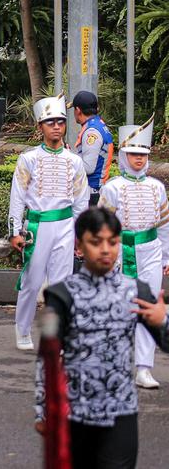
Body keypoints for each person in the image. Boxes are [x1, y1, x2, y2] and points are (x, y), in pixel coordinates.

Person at [35, 206, 169, 468]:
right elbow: (47, 359)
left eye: (113, 242)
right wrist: (43, 409)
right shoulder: (61, 295)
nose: (105, 250)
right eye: (96, 243)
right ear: (79, 245)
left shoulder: (136, 291)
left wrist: (161, 321)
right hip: (74, 413)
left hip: (121, 412)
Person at [10, 95, 90, 351]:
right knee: (31, 282)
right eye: (50, 122)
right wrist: (14, 230)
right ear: (40, 127)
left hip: (65, 226)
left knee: (61, 284)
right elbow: (18, 196)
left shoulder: (74, 161)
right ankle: (22, 329)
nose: (56, 126)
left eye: (60, 122)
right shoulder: (29, 159)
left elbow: (81, 201)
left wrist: (81, 235)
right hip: (37, 227)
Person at [97, 117, 169, 390]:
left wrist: (166, 256)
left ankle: (144, 368)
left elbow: (164, 226)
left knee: (148, 307)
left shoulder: (157, 188)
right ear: (124, 156)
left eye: (143, 154)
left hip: (150, 250)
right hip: (119, 252)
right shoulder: (112, 188)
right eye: (133, 154)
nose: (139, 159)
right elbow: (103, 227)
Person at [71, 90, 114, 204]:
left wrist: (68, 158)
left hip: (91, 194)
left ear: (78, 110)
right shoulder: (99, 124)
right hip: (94, 191)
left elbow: (89, 167)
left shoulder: (92, 132)